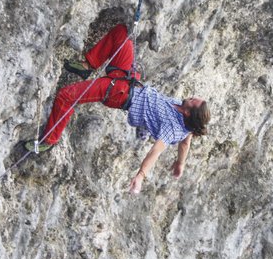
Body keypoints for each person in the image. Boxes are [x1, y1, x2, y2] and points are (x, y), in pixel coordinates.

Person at [32, 23, 210, 194]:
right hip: (131, 78)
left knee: (66, 96)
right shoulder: (183, 111)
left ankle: (49, 140)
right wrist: (180, 164)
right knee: (121, 33)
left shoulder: (172, 128)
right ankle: (87, 66)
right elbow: (186, 141)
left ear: (188, 112)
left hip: (119, 93)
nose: (191, 97)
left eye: (193, 100)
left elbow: (156, 151)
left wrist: (140, 175)